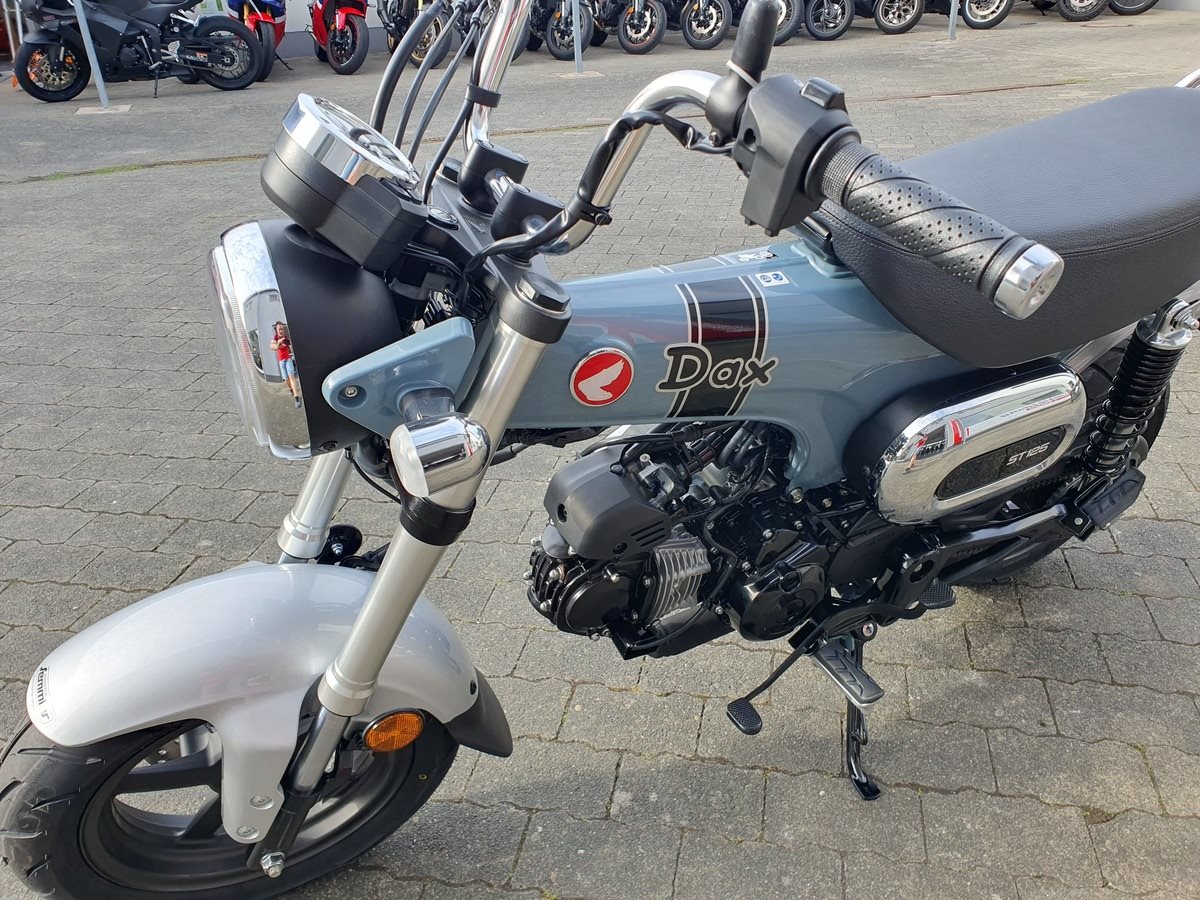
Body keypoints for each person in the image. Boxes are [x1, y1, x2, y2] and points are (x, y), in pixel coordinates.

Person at [270, 322, 302, 408]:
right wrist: (279, 343)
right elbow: (273, 347)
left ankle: (296, 398)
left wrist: (290, 346)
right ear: (276, 330)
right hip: (281, 362)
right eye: (279, 329)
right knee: (286, 379)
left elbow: (291, 349)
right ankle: (291, 389)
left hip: (288, 359)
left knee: (291, 377)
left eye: (282, 329)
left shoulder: (286, 338)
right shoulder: (275, 338)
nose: (281, 330)